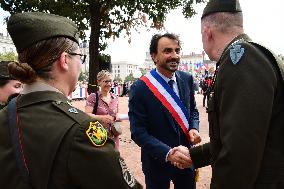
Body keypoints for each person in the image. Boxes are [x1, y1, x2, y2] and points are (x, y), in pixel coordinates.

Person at [0, 12, 142, 189]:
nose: (80, 65)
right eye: (79, 58)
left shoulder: (5, 114)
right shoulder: (81, 129)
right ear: (65, 60)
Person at [173, 0, 284, 189]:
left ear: (207, 32)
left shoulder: (241, 59)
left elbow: (239, 154)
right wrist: (194, 156)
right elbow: (239, 137)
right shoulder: (253, 55)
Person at [128, 33, 201, 189]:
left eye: (177, 50)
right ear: (154, 56)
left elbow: (193, 111)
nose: (174, 56)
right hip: (157, 162)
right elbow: (138, 132)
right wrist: (168, 153)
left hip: (186, 158)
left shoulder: (186, 79)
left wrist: (194, 127)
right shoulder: (140, 88)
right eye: (167, 51)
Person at [85, 70, 121, 150]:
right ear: (99, 82)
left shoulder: (115, 98)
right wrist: (101, 118)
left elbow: (117, 113)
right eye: (106, 81)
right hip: (98, 136)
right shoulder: (93, 97)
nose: (109, 84)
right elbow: (87, 115)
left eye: (110, 81)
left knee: (114, 159)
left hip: (113, 137)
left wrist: (118, 117)